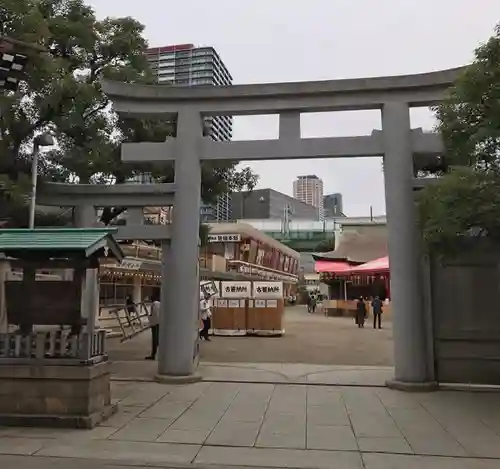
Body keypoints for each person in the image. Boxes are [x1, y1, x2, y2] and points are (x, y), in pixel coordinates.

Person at [145, 291, 160, 360]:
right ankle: (156, 354)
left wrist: (150, 318)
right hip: (159, 323)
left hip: (154, 323)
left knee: (155, 339)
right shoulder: (160, 304)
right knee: (158, 338)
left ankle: (153, 354)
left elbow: (153, 314)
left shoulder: (154, 304)